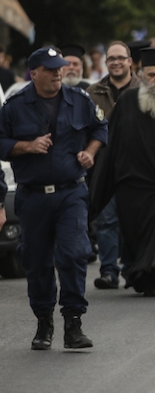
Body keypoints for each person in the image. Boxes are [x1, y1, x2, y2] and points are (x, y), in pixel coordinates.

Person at [0, 46, 107, 350]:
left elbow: (101, 128)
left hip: (71, 192)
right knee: (36, 261)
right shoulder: (14, 106)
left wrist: (90, 152)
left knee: (74, 254)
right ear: (33, 73)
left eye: (60, 67)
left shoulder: (79, 100)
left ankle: (73, 322)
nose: (59, 72)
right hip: (32, 197)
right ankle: (43, 321)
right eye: (50, 69)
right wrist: (26, 146)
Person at [91, 47, 155, 297]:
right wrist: (112, 176)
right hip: (130, 184)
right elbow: (114, 141)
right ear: (141, 74)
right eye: (151, 74)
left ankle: (154, 279)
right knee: (132, 234)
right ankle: (135, 272)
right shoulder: (127, 102)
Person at [88, 41, 140, 290]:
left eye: (121, 58)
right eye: (112, 59)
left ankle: (132, 268)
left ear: (130, 61)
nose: (116, 62)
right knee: (107, 220)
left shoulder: (145, 89)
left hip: (137, 167)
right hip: (104, 166)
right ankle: (109, 271)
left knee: (133, 220)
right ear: (106, 63)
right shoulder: (92, 92)